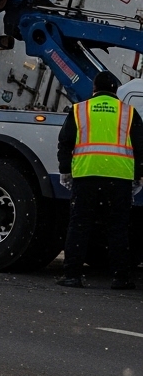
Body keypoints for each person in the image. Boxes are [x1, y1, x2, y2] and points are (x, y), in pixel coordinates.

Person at [56, 71, 139, 289]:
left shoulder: (79, 110)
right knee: (118, 229)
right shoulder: (128, 112)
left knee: (79, 226)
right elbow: (140, 146)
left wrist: (65, 170)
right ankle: (120, 278)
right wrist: (138, 175)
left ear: (94, 89)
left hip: (86, 177)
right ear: (115, 90)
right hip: (119, 179)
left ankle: (72, 275)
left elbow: (65, 142)